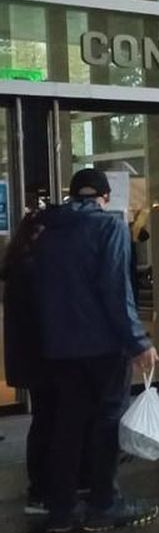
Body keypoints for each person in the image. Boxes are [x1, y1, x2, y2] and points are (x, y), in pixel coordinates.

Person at [33, 169, 159, 532]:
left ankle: (62, 508)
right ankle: (104, 503)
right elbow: (116, 290)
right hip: (103, 345)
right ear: (104, 196)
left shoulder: (48, 231)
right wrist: (138, 341)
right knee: (106, 420)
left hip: (59, 346)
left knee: (67, 423)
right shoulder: (110, 228)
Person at [3, 211, 52, 515]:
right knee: (47, 420)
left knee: (43, 420)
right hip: (41, 357)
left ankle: (40, 488)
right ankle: (41, 489)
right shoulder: (33, 269)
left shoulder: (18, 265)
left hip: (30, 358)